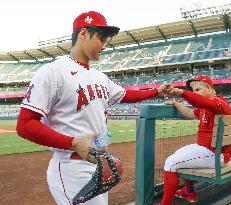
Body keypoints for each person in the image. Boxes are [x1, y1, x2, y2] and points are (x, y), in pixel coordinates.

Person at [16, 11, 171, 205]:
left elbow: (127, 95)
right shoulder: (53, 72)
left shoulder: (99, 77)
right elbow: (25, 124)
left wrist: (157, 91)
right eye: (101, 38)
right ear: (83, 34)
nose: (104, 45)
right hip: (71, 166)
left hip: (98, 164)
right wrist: (72, 142)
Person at [158, 76, 231, 205]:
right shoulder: (207, 105)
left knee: (170, 163)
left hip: (216, 155)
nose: (195, 93)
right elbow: (190, 114)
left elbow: (200, 102)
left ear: (209, 88)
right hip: (212, 151)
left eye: (197, 89)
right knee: (180, 152)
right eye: (193, 91)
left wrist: (181, 92)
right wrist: (176, 103)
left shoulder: (219, 103)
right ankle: (189, 192)